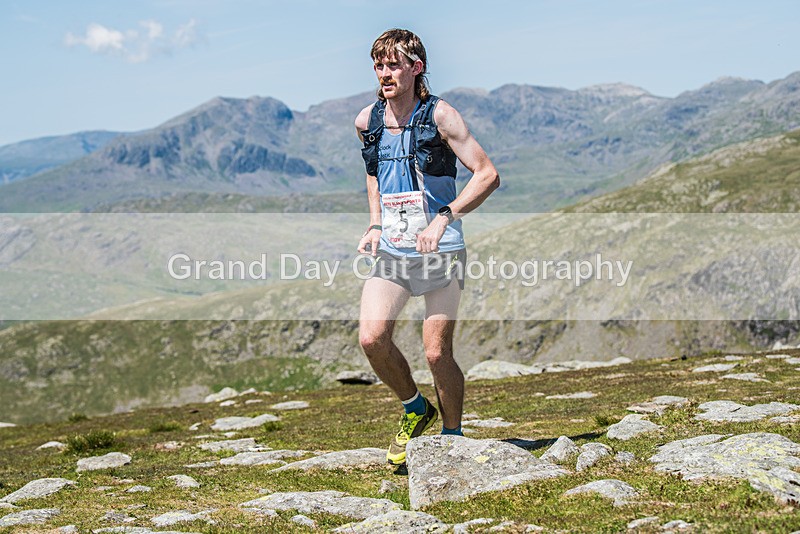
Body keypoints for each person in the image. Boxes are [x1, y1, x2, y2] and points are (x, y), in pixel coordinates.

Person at [355, 28, 499, 465]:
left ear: (416, 68)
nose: (385, 73)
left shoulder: (441, 116)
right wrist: (376, 224)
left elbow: (487, 174)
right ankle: (415, 408)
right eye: (379, 65)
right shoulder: (368, 121)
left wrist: (445, 216)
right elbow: (375, 174)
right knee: (372, 337)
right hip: (394, 250)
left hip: (442, 249)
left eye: (394, 64)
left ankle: (451, 440)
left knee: (437, 351)